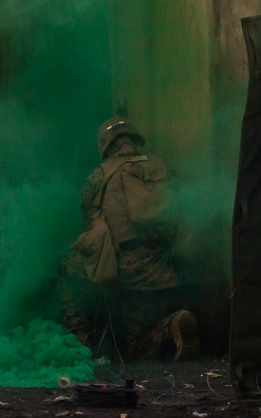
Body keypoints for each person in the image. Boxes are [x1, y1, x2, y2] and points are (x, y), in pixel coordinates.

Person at [61, 117, 199, 360]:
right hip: (167, 273)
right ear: (135, 141)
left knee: (68, 264)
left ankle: (81, 345)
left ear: (106, 147)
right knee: (144, 327)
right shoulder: (165, 169)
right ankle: (174, 321)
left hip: (123, 276)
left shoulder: (97, 178)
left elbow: (90, 234)